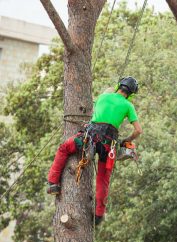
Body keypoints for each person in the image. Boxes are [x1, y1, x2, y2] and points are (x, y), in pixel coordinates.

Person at [46, 76, 143, 225]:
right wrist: (126, 141)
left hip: (90, 136)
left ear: (118, 86)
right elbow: (138, 131)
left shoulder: (104, 96)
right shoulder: (128, 105)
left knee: (64, 148)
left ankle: (53, 183)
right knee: (103, 178)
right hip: (109, 144)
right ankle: (98, 215)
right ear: (131, 93)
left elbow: (109, 90)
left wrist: (113, 89)